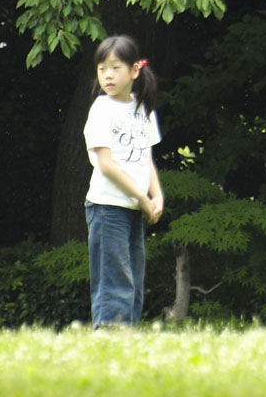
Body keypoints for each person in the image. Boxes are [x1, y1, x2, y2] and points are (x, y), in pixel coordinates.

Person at [83, 34, 164, 328]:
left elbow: (145, 158)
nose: (107, 75)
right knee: (114, 282)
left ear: (134, 70)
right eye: (102, 69)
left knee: (134, 283)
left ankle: (127, 342)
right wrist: (142, 198)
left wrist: (157, 197)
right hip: (107, 208)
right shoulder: (101, 109)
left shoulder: (143, 109)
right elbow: (106, 164)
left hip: (133, 208)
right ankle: (109, 340)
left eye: (115, 68)